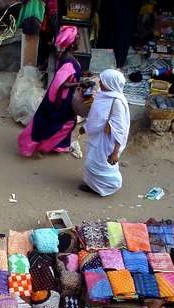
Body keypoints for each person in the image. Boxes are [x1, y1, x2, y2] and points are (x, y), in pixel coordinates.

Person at [18, 26, 82, 157]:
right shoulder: (69, 62)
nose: (80, 40)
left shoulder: (65, 56)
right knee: (60, 124)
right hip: (62, 101)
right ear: (72, 43)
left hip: (59, 99)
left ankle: (55, 146)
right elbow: (61, 83)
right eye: (78, 38)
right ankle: (41, 147)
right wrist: (79, 83)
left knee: (56, 123)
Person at [79, 69, 130, 196]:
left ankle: (106, 188)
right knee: (92, 162)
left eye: (103, 81)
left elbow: (120, 130)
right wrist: (86, 127)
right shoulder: (103, 95)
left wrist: (115, 152)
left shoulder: (117, 101)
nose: (100, 83)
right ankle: (94, 186)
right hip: (98, 137)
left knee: (101, 165)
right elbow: (97, 117)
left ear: (111, 83)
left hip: (107, 141)